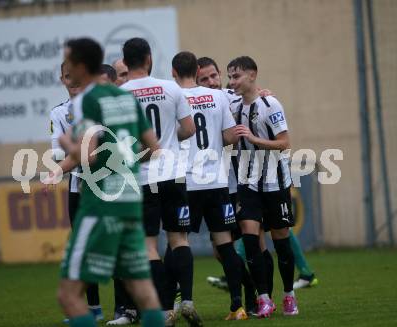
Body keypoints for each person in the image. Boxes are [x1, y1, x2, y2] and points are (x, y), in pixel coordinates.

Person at [55, 37, 164, 327]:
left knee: (68, 294)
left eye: (69, 63)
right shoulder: (126, 97)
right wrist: (123, 160)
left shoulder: (86, 101)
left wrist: (69, 144)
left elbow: (88, 157)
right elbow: (153, 148)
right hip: (130, 197)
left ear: (79, 66)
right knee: (141, 288)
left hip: (100, 202)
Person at [197, 56, 318, 293]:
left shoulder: (233, 97)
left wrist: (263, 96)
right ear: (195, 81)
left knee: (266, 235)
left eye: (215, 76)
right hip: (219, 183)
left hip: (247, 180)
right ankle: (259, 287)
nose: (212, 82)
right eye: (204, 78)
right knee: (225, 250)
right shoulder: (195, 103)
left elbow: (263, 111)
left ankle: (263, 295)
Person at [120, 38, 201, 327]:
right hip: (174, 174)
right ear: (149, 58)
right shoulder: (171, 88)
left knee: (149, 246)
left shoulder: (120, 95)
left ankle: (166, 309)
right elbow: (189, 129)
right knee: (179, 239)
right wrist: (166, 142)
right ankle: (188, 301)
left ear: (125, 62)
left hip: (144, 179)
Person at [172, 51, 249, 320]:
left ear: (174, 73)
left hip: (187, 183)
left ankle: (176, 304)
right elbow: (230, 137)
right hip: (217, 182)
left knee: (178, 243)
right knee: (225, 245)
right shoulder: (217, 97)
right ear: (196, 71)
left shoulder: (174, 97)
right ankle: (237, 306)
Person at [228, 55, 298, 317]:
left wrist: (254, 138)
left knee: (281, 240)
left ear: (253, 75)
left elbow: (284, 143)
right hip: (247, 180)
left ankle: (289, 294)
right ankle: (264, 298)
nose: (232, 81)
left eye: (236, 76)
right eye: (230, 76)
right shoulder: (232, 103)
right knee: (250, 237)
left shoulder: (270, 104)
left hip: (275, 179)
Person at [48, 61, 104, 324]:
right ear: (62, 79)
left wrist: (74, 150)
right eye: (67, 77)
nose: (72, 81)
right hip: (78, 186)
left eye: (76, 76)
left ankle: (127, 307)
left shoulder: (97, 105)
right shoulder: (59, 113)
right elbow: (57, 152)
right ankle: (93, 307)